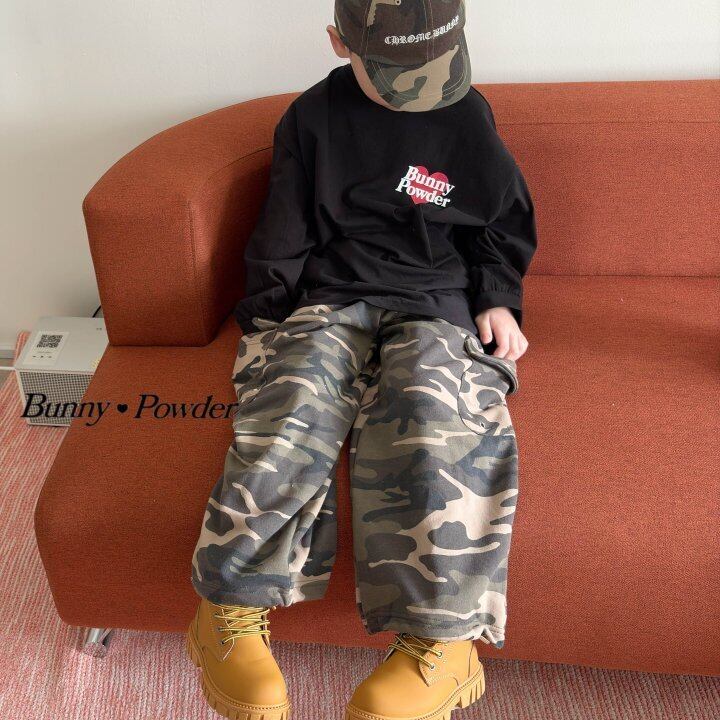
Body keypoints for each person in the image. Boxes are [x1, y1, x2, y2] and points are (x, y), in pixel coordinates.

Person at [187, 1, 537, 718]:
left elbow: (499, 221)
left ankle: (442, 641)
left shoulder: (468, 115)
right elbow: (283, 225)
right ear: (338, 43)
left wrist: (498, 297)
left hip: (436, 301)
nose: (421, 93)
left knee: (434, 412)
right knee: (292, 405)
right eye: (399, 75)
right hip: (331, 294)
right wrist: (271, 318)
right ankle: (227, 606)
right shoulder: (312, 118)